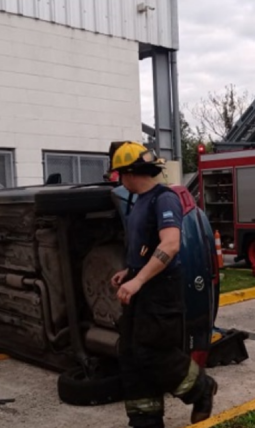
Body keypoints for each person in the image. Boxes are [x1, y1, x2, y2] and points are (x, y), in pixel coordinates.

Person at [108, 141, 217, 428]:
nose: (119, 179)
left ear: (132, 172)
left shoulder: (163, 199)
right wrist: (128, 273)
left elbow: (170, 245)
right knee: (131, 353)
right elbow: (147, 248)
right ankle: (146, 419)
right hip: (142, 286)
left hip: (160, 291)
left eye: (120, 173)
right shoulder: (138, 202)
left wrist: (139, 281)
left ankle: (201, 388)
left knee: (153, 352)